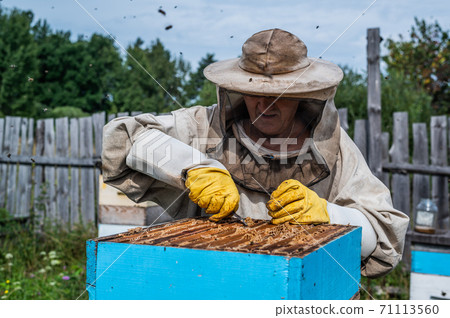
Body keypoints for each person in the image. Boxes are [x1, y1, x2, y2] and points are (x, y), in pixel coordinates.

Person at [102, 28, 409, 277]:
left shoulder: (334, 143)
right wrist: (192, 167)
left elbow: (385, 236)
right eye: (256, 93)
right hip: (209, 279)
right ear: (238, 89)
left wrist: (330, 215)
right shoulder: (204, 126)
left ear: (305, 95)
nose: (266, 106)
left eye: (281, 95)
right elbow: (126, 138)